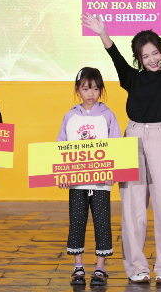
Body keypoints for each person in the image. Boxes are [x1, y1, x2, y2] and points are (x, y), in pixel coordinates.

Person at [81, 6, 161, 283]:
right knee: (132, 208)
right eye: (146, 56)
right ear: (139, 59)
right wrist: (103, 33)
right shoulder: (132, 78)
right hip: (132, 138)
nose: (152, 59)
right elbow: (116, 57)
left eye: (155, 53)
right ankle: (136, 268)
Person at [56, 67, 121, 287]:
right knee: (77, 223)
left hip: (101, 184)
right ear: (77, 90)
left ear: (101, 89)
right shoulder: (70, 116)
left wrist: (113, 172)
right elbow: (61, 147)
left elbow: (115, 145)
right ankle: (78, 267)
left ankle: (100, 268)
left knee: (102, 223)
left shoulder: (107, 115)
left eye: (95, 89)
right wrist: (63, 174)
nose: (90, 93)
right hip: (77, 184)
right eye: (85, 89)